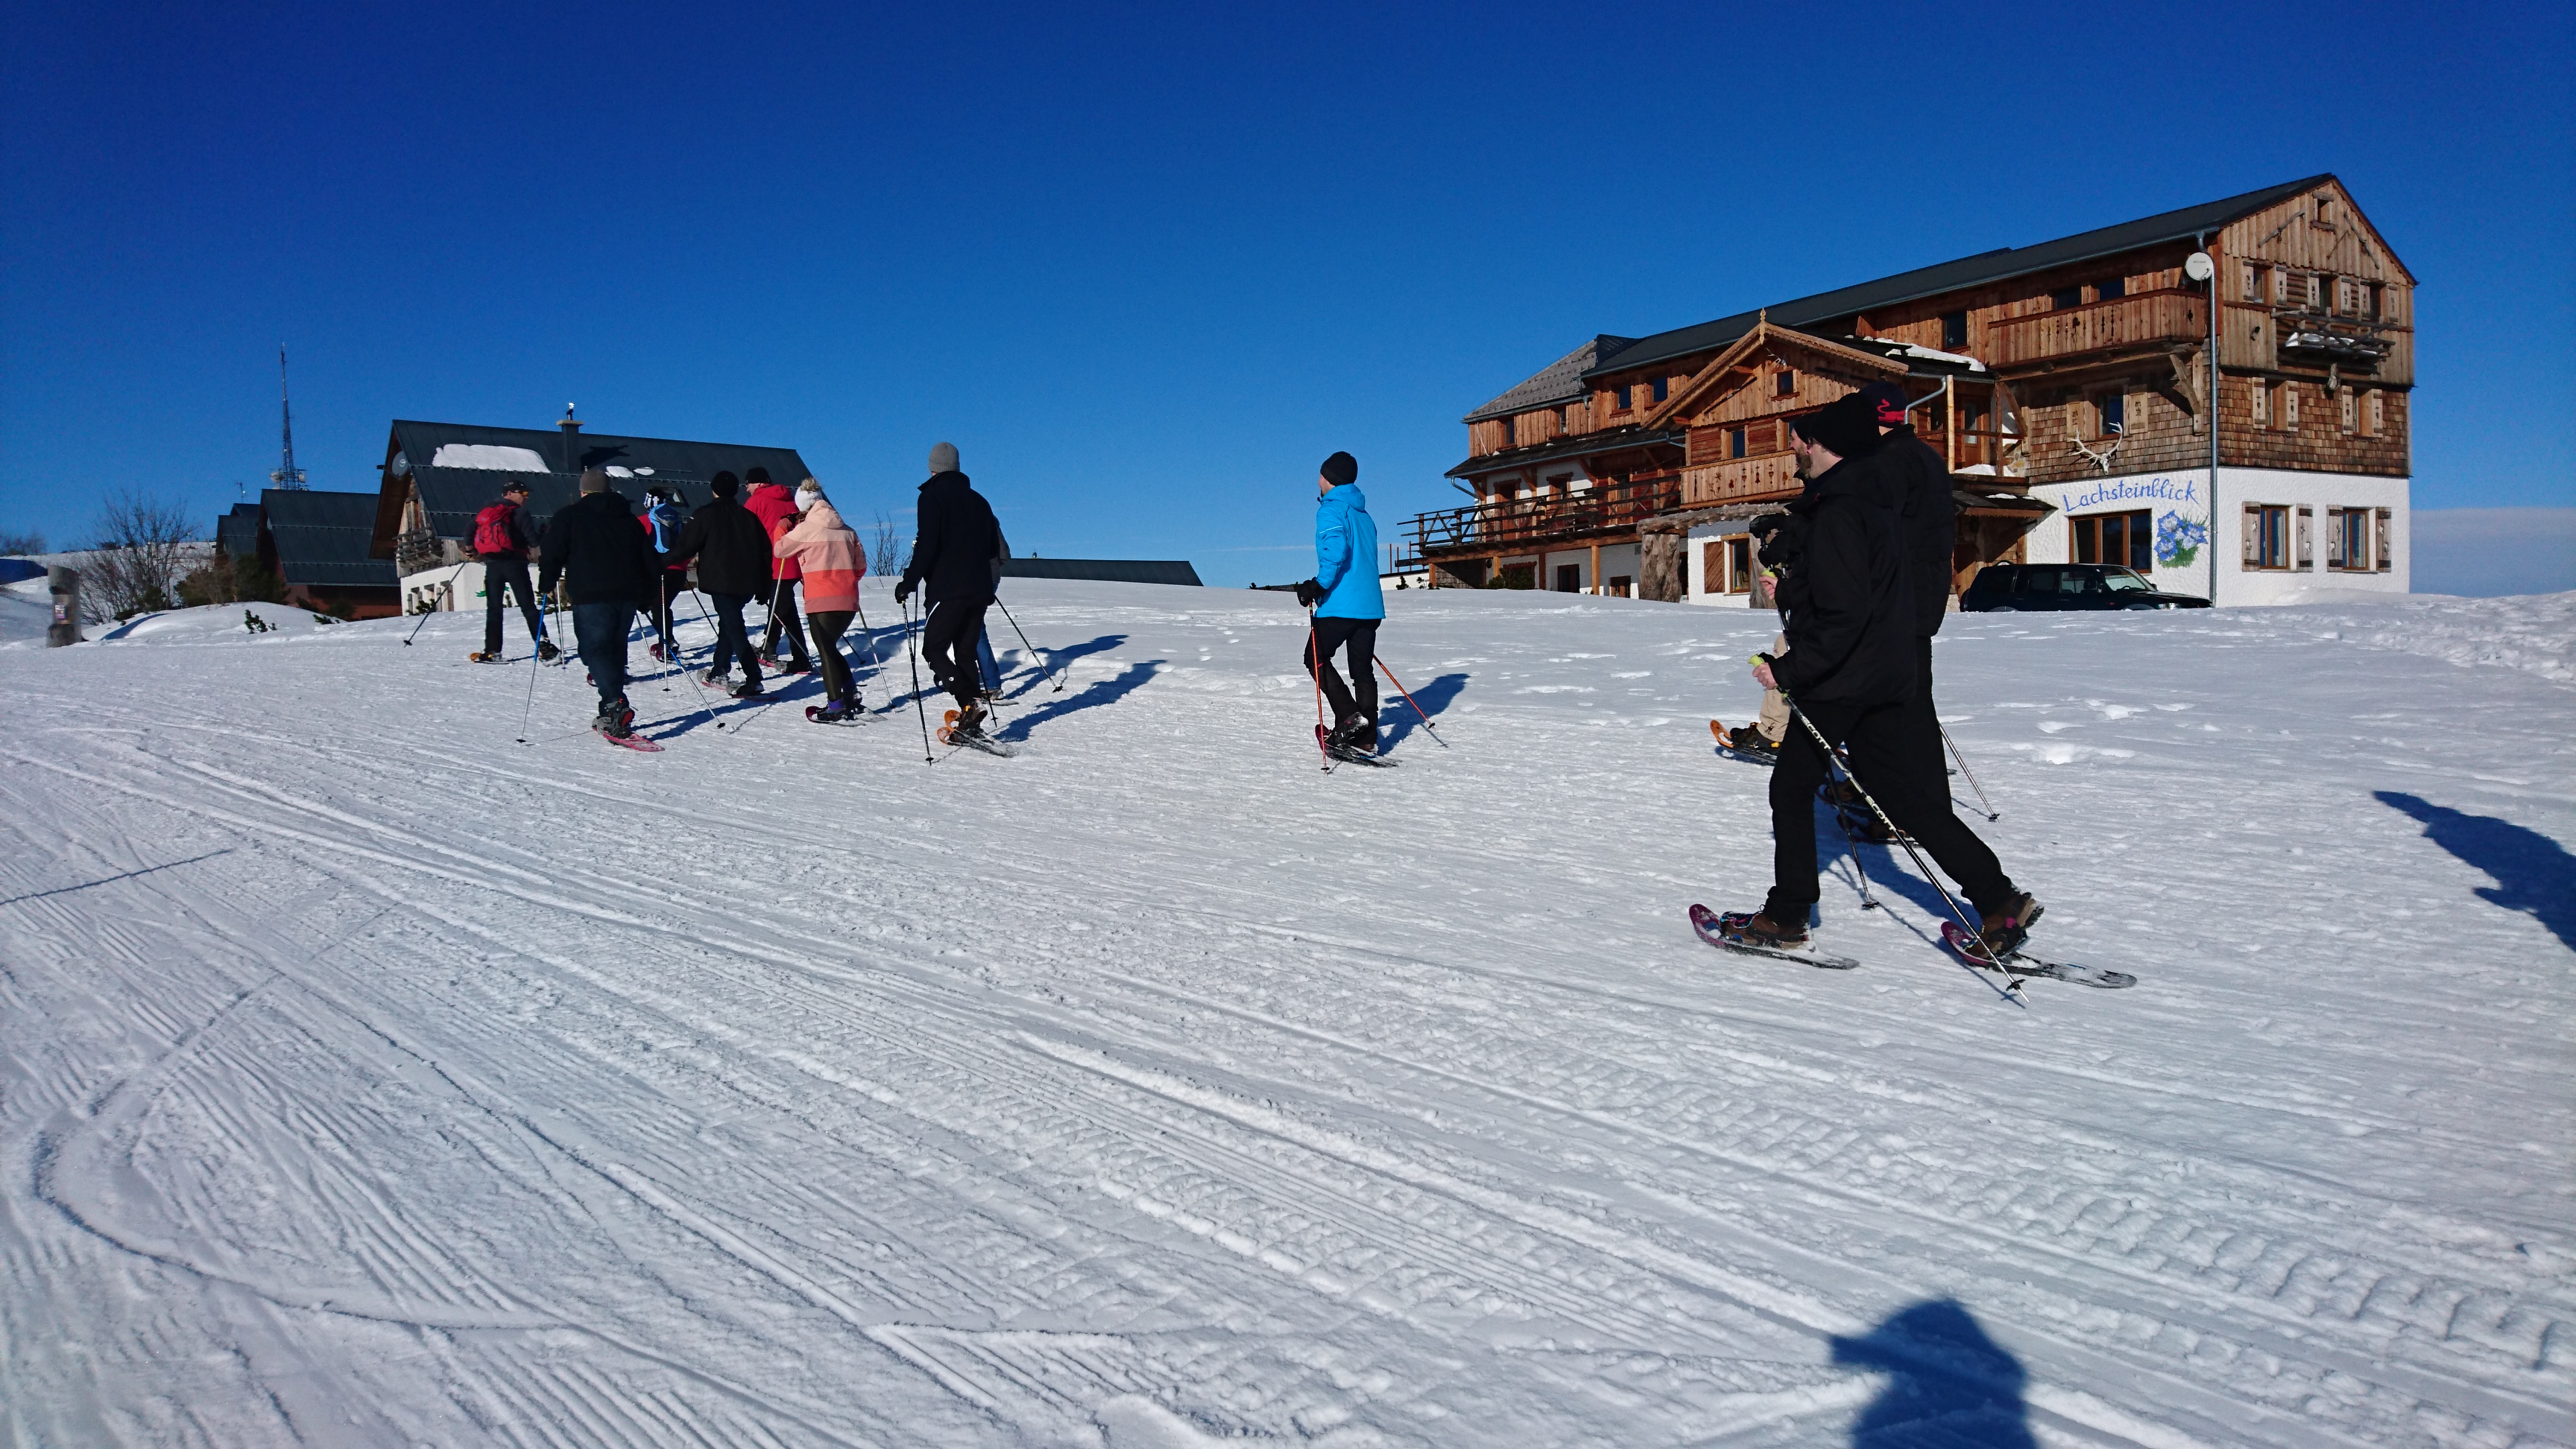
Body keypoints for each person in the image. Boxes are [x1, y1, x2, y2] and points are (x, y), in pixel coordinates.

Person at [1714, 394, 2039, 959]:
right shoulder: (1873, 502)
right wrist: (1792, 586)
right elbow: (1864, 588)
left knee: (1790, 789)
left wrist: (1786, 669)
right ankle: (1998, 899)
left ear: (1820, 444)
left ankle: (1786, 916)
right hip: (1890, 670)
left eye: (1800, 436)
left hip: (1848, 676)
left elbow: (1845, 614)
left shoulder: (1841, 509)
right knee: (1906, 798)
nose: (1793, 445)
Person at [1856, 378, 1960, 808]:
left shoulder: (1889, 461)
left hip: (1897, 603)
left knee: (1893, 709)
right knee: (1915, 707)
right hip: (1923, 599)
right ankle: (1927, 804)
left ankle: (1903, 807)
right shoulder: (1925, 457)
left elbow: (1879, 533)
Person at [538, 468, 661, 740]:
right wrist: (647, 598)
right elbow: (650, 561)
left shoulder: (569, 516)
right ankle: (610, 711)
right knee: (615, 648)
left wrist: (546, 582)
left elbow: (552, 552)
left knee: (594, 650)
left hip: (590, 592)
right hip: (627, 593)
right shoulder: (629, 520)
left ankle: (615, 703)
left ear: (583, 491)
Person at [894, 441, 1005, 740]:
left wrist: (909, 581)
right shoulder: (980, 500)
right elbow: (993, 547)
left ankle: (971, 701)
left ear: (933, 469)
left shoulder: (932, 497)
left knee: (933, 649)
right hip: (981, 587)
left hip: (949, 588)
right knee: (965, 650)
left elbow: (927, 544)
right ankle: (972, 716)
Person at [1293, 450, 1385, 756]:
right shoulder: (1363, 515)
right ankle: (1366, 737)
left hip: (1342, 603)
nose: (1318, 480)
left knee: (1314, 657)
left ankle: (1349, 717)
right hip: (1370, 606)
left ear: (1330, 479)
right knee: (1362, 671)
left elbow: (1336, 552)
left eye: (1321, 475)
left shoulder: (1331, 510)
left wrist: (1316, 586)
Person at [665, 471, 773, 698]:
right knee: (729, 623)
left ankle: (753, 678)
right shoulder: (748, 516)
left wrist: (658, 562)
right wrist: (765, 586)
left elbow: (685, 548)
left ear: (713, 490)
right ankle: (720, 669)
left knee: (734, 627)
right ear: (735, 491)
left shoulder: (705, 514)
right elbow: (765, 552)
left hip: (721, 581)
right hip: (747, 582)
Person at [773, 478, 867, 722]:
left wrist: (784, 525)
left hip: (820, 598)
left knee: (825, 650)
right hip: (848, 599)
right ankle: (850, 694)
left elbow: (780, 550)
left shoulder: (806, 529)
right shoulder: (848, 530)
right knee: (831, 648)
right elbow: (861, 567)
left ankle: (835, 705)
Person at [468, 480, 558, 663]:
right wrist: (544, 533)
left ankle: (493, 651)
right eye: (524, 494)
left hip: (492, 565)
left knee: (494, 609)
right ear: (511, 493)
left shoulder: (487, 511)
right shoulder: (520, 513)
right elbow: (533, 542)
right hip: (515, 564)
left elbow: (469, 530)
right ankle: (543, 646)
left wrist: (471, 550)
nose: (527, 498)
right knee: (528, 607)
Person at [742, 466, 812, 674]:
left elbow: (746, 534)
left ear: (757, 483)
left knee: (785, 610)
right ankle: (770, 647)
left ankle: (801, 657)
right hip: (797, 561)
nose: (747, 489)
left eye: (748, 484)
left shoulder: (756, 502)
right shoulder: (792, 501)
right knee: (781, 606)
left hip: (774, 563)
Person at [639, 485, 692, 664]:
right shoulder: (677, 519)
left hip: (658, 570)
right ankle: (666, 640)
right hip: (678, 571)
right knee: (663, 605)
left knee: (658, 606)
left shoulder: (646, 520)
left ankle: (668, 642)